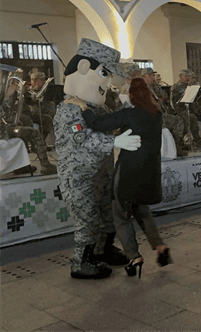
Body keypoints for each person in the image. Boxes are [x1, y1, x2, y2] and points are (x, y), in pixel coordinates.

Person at [66, 78, 172, 278]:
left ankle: (134, 257)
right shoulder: (156, 115)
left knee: (121, 217)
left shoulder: (129, 114)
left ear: (131, 96)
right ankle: (160, 246)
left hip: (128, 174)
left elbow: (98, 123)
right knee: (143, 213)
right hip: (149, 174)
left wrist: (82, 106)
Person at [54, 38, 141, 279]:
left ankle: (103, 251)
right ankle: (80, 263)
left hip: (101, 174)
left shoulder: (95, 108)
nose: (107, 83)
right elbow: (82, 139)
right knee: (87, 220)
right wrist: (115, 142)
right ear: (83, 68)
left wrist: (126, 111)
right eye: (104, 74)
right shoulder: (70, 109)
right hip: (79, 176)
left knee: (108, 215)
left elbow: (109, 124)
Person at [1, 78, 57, 175]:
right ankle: (45, 165)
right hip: (2, 132)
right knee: (33, 132)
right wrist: (8, 96)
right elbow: (4, 114)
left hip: (3, 129)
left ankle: (22, 166)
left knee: (23, 127)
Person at [142, 67, 187, 156]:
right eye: (150, 75)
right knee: (178, 120)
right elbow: (154, 106)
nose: (153, 77)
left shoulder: (152, 87)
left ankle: (174, 145)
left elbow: (161, 102)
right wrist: (162, 100)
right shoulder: (143, 89)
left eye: (153, 75)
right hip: (151, 117)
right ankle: (177, 147)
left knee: (176, 117)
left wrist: (164, 98)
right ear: (143, 77)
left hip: (157, 114)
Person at [172, 69, 201, 146]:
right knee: (192, 117)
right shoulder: (176, 87)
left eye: (189, 76)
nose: (188, 78)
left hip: (190, 108)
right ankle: (196, 138)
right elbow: (174, 102)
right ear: (180, 76)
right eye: (186, 76)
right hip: (180, 110)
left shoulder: (189, 86)